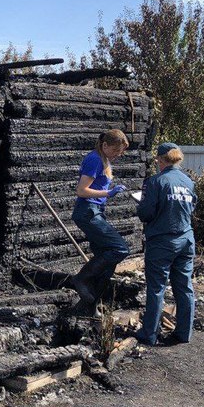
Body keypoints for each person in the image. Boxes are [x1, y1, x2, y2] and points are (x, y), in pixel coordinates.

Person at [135, 143, 197, 347]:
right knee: (184, 287)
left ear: (161, 160)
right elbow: (191, 207)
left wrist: (142, 205)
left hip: (163, 241)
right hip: (186, 240)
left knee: (156, 287)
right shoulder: (188, 182)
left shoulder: (156, 182)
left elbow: (146, 213)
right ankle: (183, 333)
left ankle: (149, 334)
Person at [69, 129, 132, 308]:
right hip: (88, 212)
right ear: (105, 145)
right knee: (120, 249)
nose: (118, 155)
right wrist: (108, 193)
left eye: (120, 152)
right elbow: (82, 190)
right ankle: (81, 278)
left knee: (106, 258)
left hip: (96, 210)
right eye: (115, 151)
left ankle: (89, 304)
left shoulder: (104, 160)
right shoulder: (94, 159)